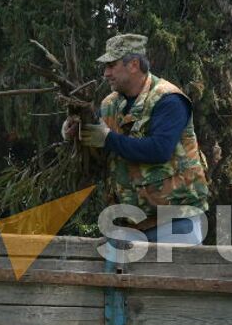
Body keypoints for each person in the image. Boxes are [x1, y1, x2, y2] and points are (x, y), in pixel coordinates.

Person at [63, 33, 210, 255]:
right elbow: (100, 150)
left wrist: (107, 138)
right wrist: (74, 132)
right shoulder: (110, 104)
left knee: (174, 286)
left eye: (111, 65)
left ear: (133, 64)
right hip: (127, 224)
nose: (106, 73)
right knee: (123, 289)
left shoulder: (168, 100)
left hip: (174, 221)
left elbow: (159, 150)